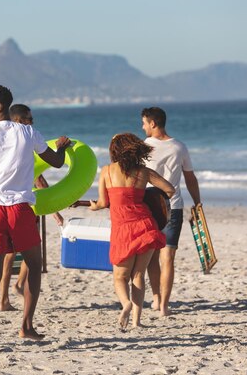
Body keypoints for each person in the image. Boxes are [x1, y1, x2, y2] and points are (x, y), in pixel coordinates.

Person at [0, 85, 71, 352]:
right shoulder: (28, 132)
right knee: (34, 266)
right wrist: (61, 146)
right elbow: (57, 163)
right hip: (20, 209)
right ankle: (26, 325)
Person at [86, 133, 174, 330]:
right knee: (138, 275)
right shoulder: (144, 172)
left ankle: (125, 304)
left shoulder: (107, 171)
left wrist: (93, 207)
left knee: (120, 276)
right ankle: (136, 321)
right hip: (145, 225)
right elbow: (169, 190)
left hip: (122, 230)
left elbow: (102, 203)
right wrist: (148, 198)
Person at [0, 104, 65, 312]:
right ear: (18, 120)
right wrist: (56, 213)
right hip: (20, 208)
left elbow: (39, 180)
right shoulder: (24, 143)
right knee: (18, 253)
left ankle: (12, 291)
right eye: (29, 119)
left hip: (3, 205)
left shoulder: (4, 143)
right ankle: (4, 298)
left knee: (20, 251)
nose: (32, 122)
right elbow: (40, 179)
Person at [141, 107, 202, 317]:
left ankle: (157, 298)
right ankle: (164, 306)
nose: (142, 127)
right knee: (168, 257)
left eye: (144, 123)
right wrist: (197, 203)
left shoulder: (144, 146)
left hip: (150, 206)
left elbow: (134, 177)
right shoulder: (180, 147)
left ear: (153, 124)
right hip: (173, 206)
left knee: (152, 256)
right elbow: (190, 179)